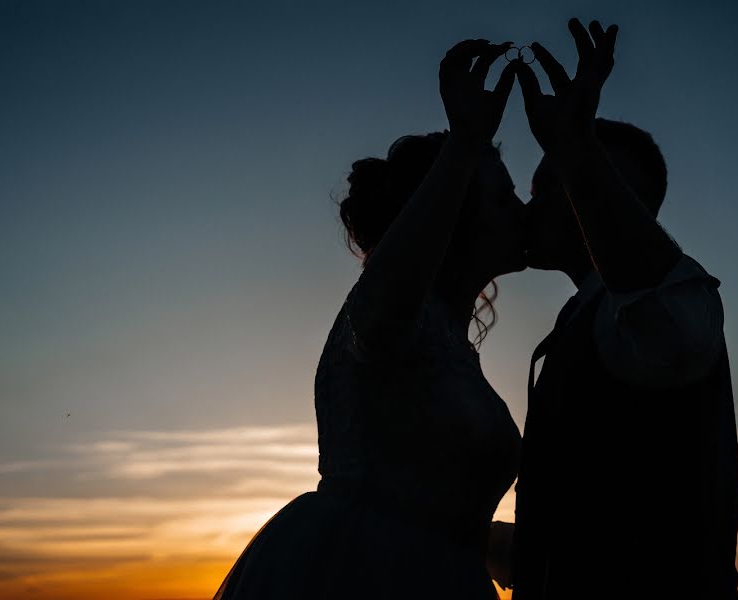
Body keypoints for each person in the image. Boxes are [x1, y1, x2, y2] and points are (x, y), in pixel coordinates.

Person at [212, 39, 528, 600]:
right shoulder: (388, 311)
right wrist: (464, 146)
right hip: (353, 573)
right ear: (452, 217)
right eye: (504, 201)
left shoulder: (450, 341)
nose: (521, 213)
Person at [506, 18, 738, 599]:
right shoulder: (578, 322)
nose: (526, 205)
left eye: (545, 188)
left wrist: (575, 147)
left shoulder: (663, 315)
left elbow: (668, 318)